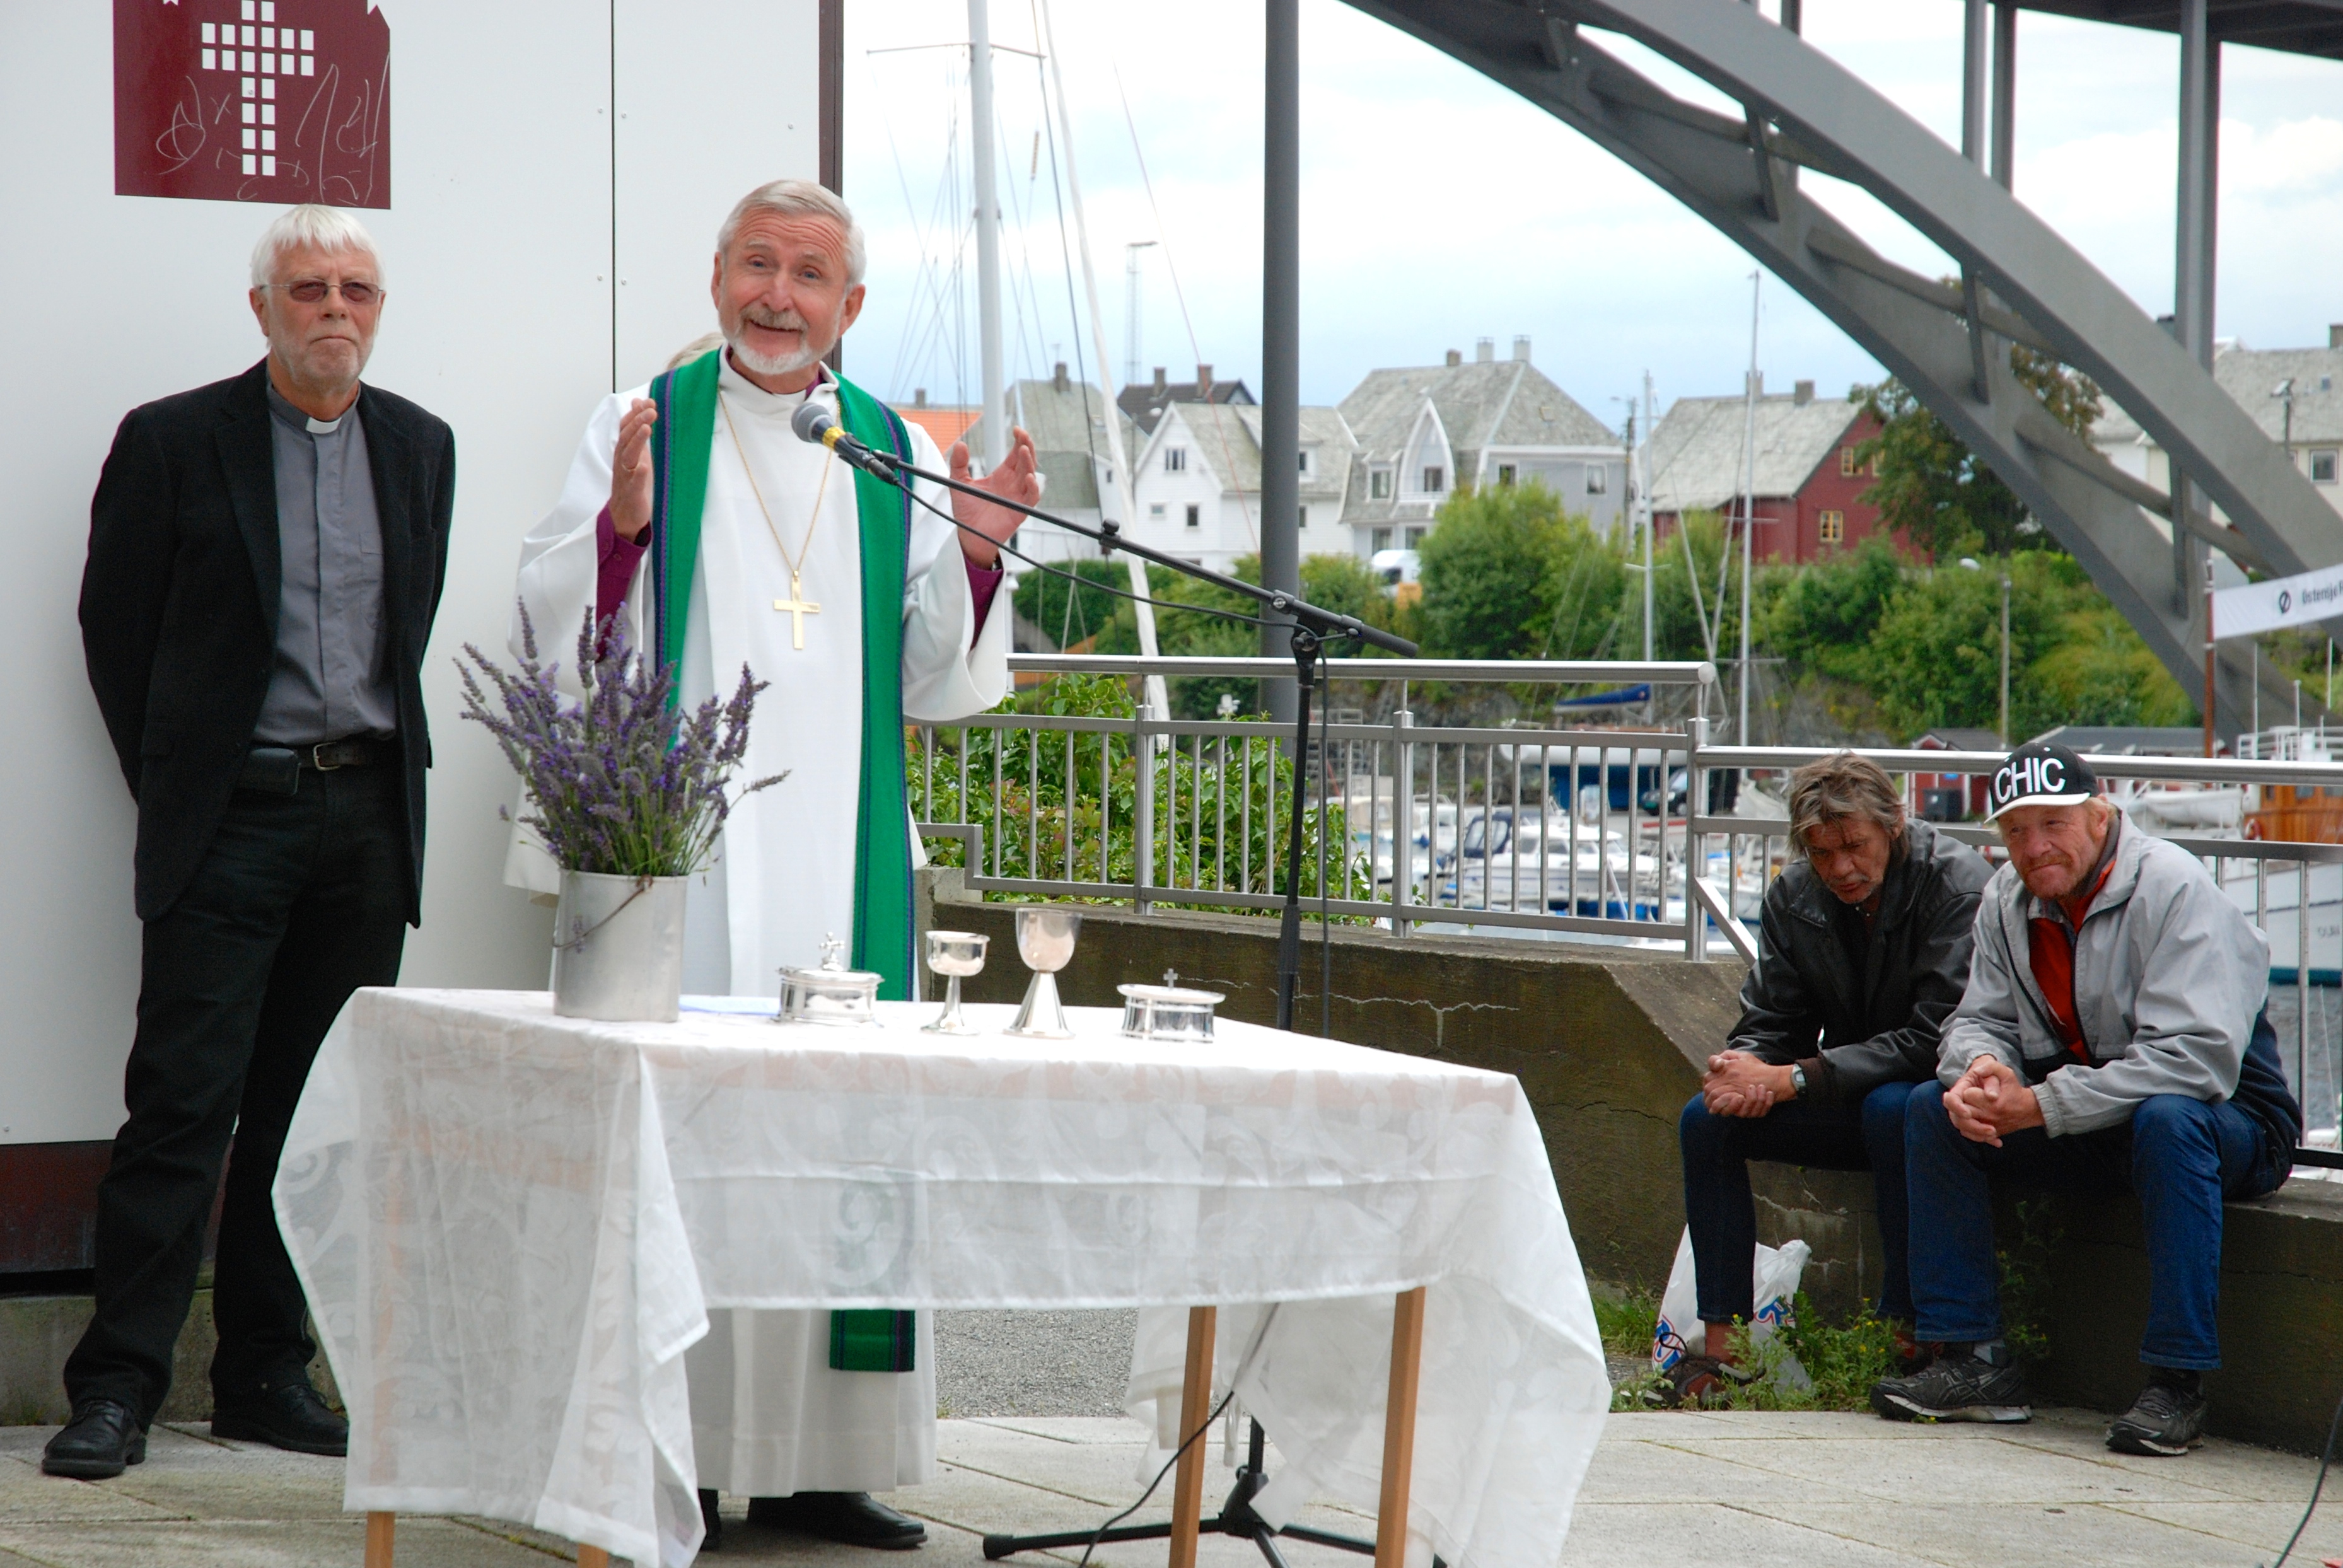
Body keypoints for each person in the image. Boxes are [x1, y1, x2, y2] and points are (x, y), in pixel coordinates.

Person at [509, 178, 1034, 1550]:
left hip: (843, 851)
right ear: (716, 276)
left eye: (810, 275)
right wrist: (621, 529)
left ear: (851, 307)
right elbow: (562, 611)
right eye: (758, 264)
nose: (778, 296)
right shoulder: (643, 420)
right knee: (683, 1142)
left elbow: (933, 675)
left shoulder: (888, 450)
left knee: (839, 1137)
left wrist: (977, 551)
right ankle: (665, 1451)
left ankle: (814, 1461)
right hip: (674, 846)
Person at [53, 206, 455, 1478]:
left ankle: (263, 1373)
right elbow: (117, 631)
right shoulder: (175, 441)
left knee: (310, 1116)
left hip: (367, 821)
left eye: (357, 289)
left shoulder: (421, 446)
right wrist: (185, 786)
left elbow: (415, 612)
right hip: (233, 818)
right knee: (182, 1106)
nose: (335, 307)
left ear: (379, 309)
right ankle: (118, 1385)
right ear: (263, 307)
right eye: (308, 287)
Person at [1871, 741, 2301, 1455]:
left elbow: (2191, 1061)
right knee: (1928, 1107)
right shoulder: (2003, 900)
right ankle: (1972, 1359)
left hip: (2227, 1118)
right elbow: (1975, 1017)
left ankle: (2175, 1384)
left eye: (2051, 824)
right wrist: (1981, 1071)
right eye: (2014, 832)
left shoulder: (2173, 886)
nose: (2032, 847)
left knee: (2168, 1121)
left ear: (2100, 815)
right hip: (2098, 1113)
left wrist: (2040, 1106)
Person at [1670, 752, 1991, 1402]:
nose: (1840, 868)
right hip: (1842, 1088)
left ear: (1893, 825)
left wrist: (1792, 1078)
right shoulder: (1794, 895)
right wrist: (1743, 1067)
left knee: (1897, 1106)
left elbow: (1937, 1037)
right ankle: (1723, 1348)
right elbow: (1771, 1018)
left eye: (1854, 846)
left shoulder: (1955, 883)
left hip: (1929, 1096)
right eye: (1820, 853)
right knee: (1705, 1120)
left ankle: (1910, 1333)